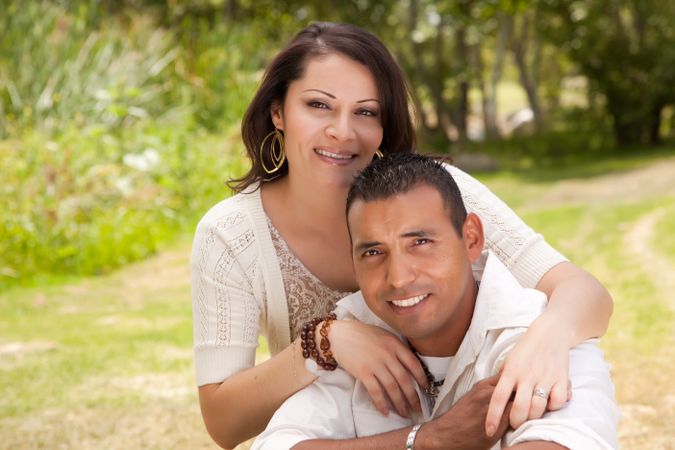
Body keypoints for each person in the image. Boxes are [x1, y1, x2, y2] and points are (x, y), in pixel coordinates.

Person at [190, 22, 614, 449]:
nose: (342, 130)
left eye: (366, 111)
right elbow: (225, 425)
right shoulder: (232, 236)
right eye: (318, 105)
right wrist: (324, 342)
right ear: (278, 112)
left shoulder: (432, 191)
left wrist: (546, 338)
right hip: (343, 431)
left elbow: (583, 291)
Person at [252, 153, 619, 450]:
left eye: (421, 243)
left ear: (471, 239)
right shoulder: (356, 336)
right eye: (374, 252)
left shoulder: (543, 344)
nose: (398, 277)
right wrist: (428, 440)